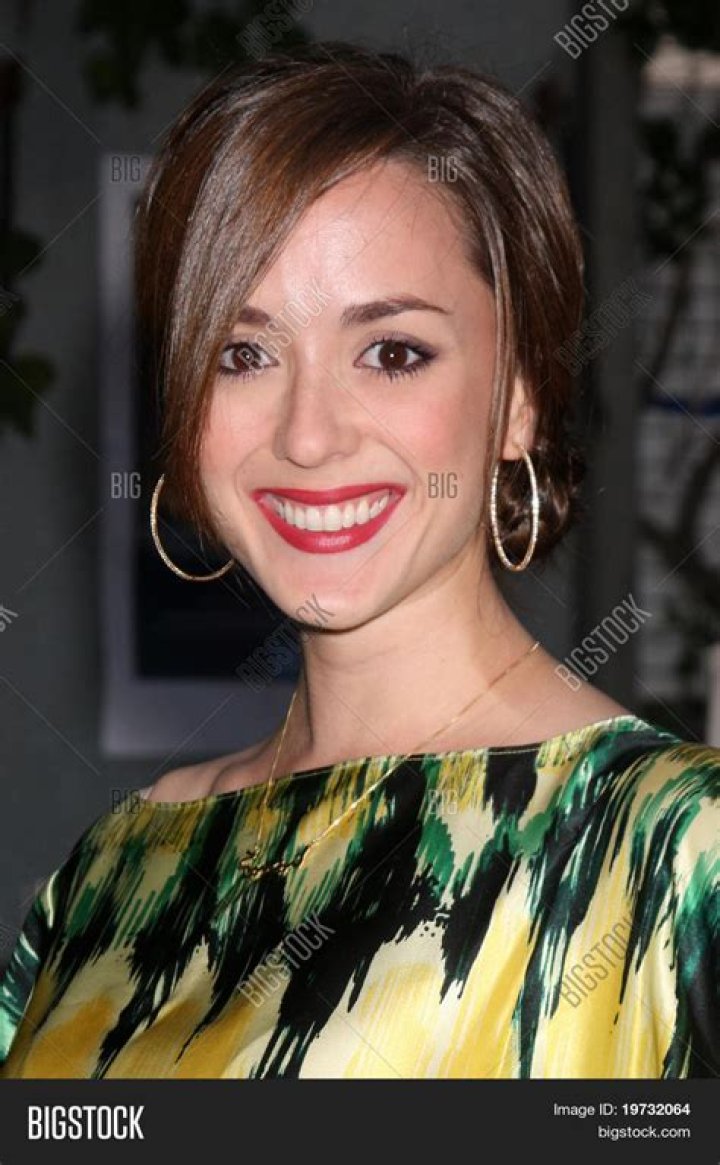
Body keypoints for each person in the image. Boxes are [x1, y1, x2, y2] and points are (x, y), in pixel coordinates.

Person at [0, 42, 717, 1080]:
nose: (307, 435)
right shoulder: (111, 872)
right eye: (243, 354)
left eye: (391, 352)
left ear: (519, 396)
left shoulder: (674, 853)